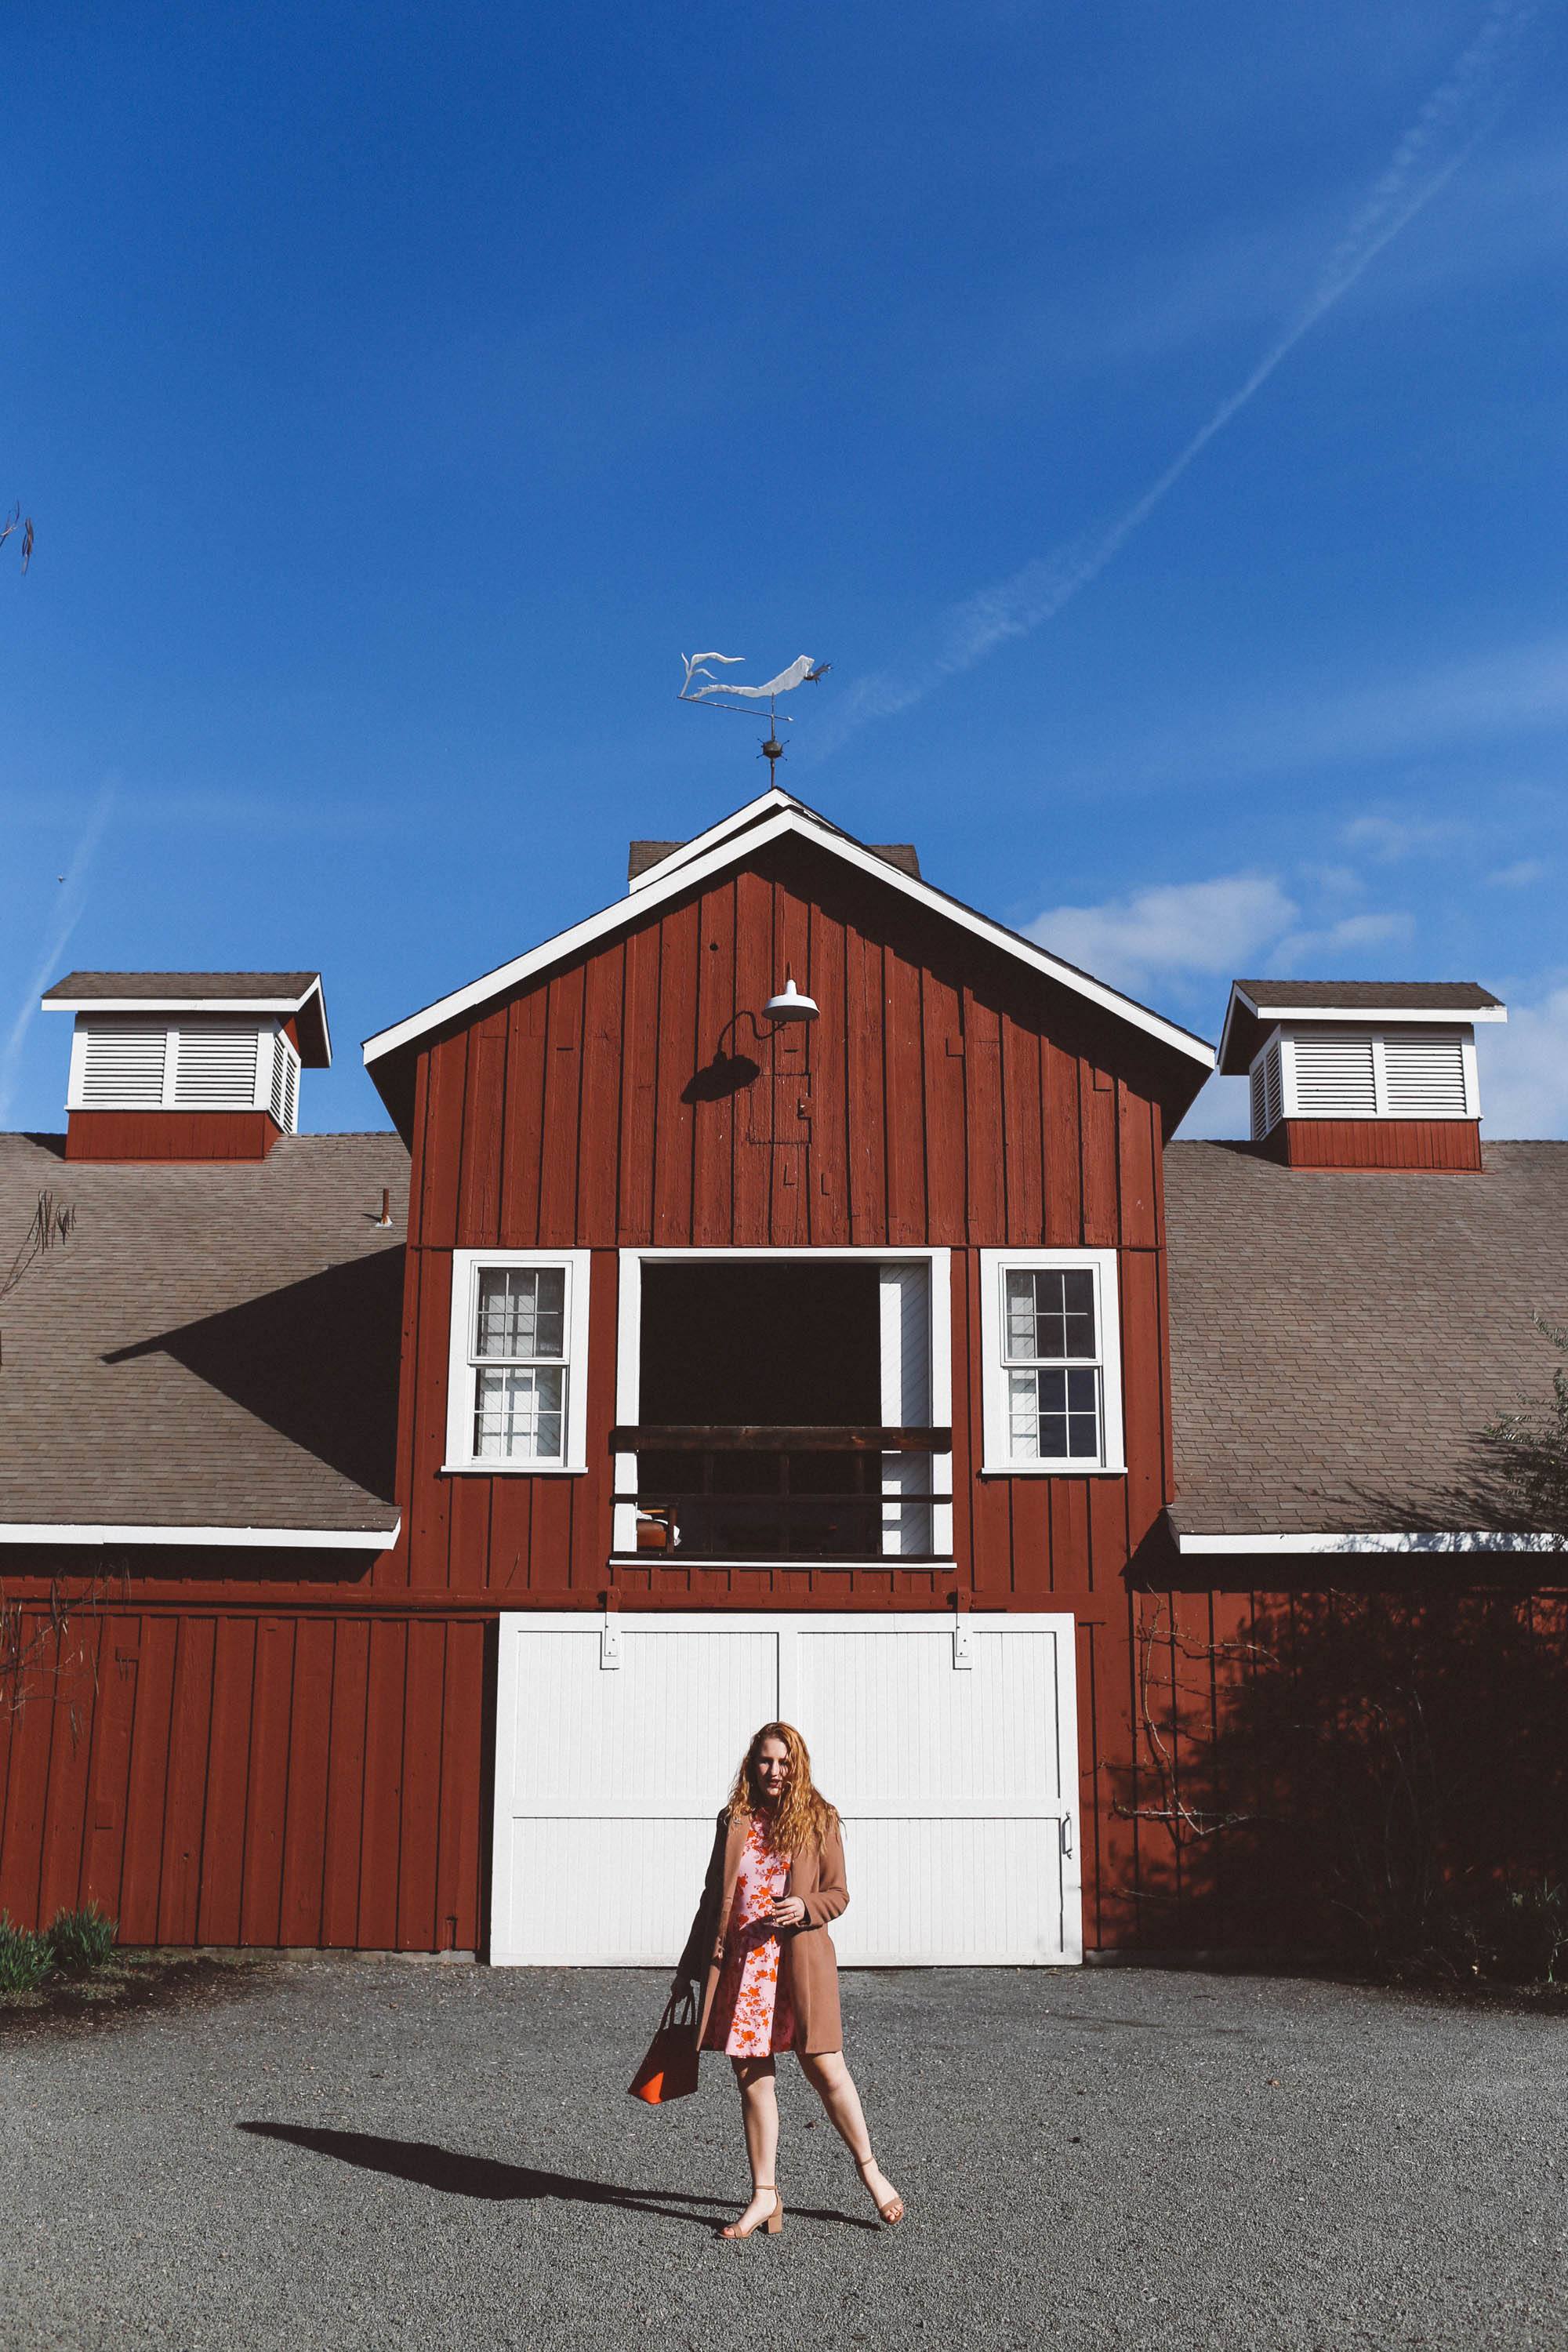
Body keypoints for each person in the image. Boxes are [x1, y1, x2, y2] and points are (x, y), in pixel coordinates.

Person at [674, 1719, 905, 2239]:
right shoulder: (734, 1819)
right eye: (765, 1761)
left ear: (796, 1765)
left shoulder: (820, 1818)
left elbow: (839, 1894)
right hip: (745, 1969)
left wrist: (805, 1906)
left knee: (826, 2069)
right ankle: (764, 2196)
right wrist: (688, 1971)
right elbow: (712, 1899)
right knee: (752, 2080)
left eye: (783, 1762)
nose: (774, 1771)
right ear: (752, 1764)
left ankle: (871, 2171)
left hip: (798, 1967)